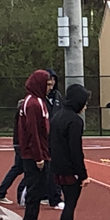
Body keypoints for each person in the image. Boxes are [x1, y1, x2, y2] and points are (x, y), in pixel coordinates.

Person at [49, 84, 90, 220]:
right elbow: (75, 150)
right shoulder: (75, 121)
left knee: (68, 203)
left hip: (57, 167)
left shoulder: (57, 116)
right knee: (70, 205)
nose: (85, 106)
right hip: (69, 169)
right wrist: (83, 174)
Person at [17, 70, 54, 220]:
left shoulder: (34, 101)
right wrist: (39, 157)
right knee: (35, 193)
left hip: (36, 153)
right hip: (35, 156)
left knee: (37, 192)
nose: (49, 87)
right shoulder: (33, 103)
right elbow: (34, 132)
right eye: (47, 84)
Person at [0, 97, 27, 205]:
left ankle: (0, 192)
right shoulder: (25, 109)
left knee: (17, 168)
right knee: (30, 169)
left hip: (19, 143)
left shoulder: (22, 108)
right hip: (21, 143)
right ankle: (22, 196)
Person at [43, 69, 65, 210]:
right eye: (48, 82)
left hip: (55, 138)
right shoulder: (37, 99)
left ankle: (55, 196)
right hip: (43, 139)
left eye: (53, 81)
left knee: (54, 168)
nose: (51, 85)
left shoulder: (58, 96)